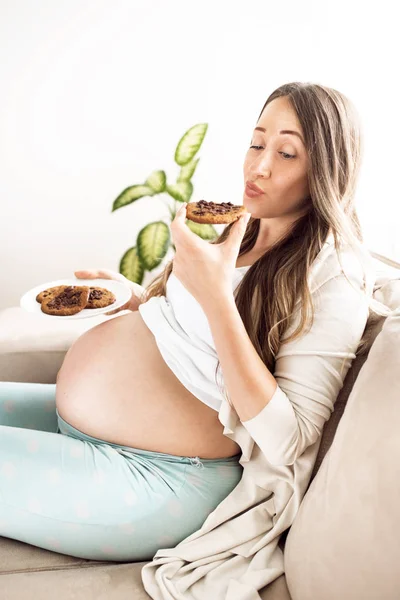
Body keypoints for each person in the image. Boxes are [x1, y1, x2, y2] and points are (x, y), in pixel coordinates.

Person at [0, 82, 376, 569]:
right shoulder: (243, 231)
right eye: (257, 143)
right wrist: (138, 300)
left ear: (327, 170)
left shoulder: (335, 276)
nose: (259, 166)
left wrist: (216, 297)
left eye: (286, 153)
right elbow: (199, 345)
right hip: (97, 430)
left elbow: (289, 440)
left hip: (160, 478)